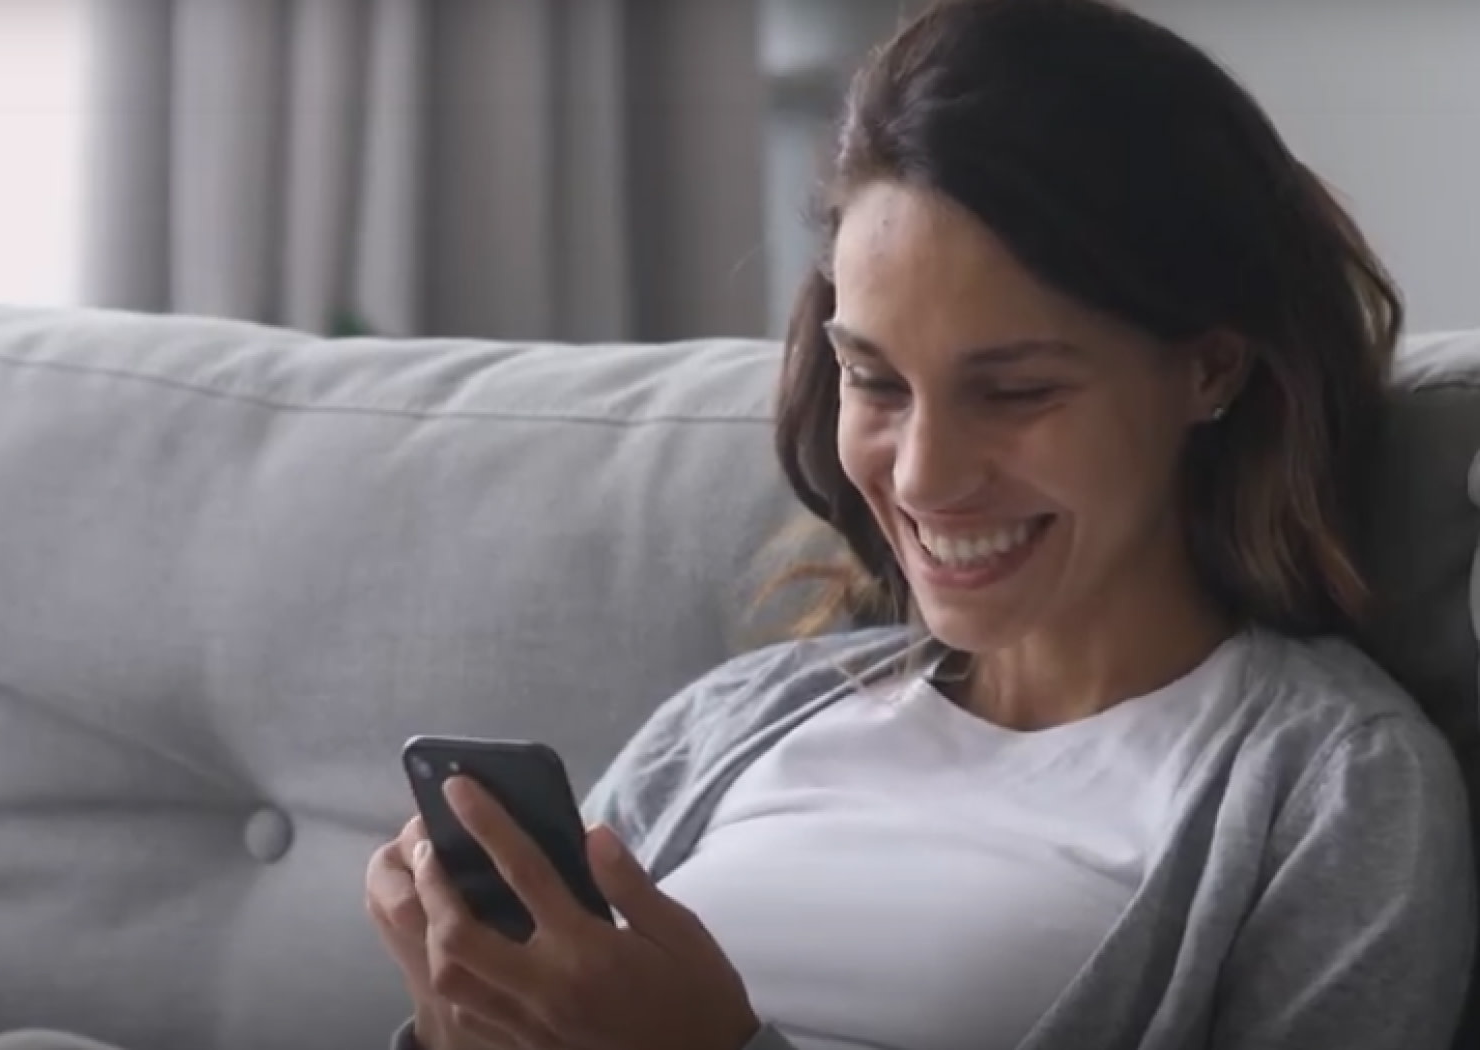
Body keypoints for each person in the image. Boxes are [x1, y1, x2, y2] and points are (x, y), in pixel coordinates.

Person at [363, 1, 1477, 1049]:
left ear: (1209, 369)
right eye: (877, 383)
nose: (925, 476)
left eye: (1017, 391)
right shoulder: (737, 722)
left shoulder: (1332, 786)